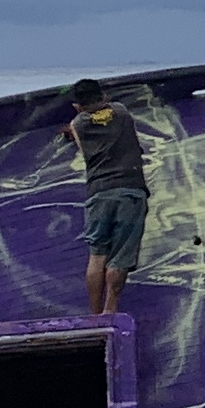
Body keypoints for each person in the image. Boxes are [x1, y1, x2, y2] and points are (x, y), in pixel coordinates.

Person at [66, 78, 149, 314]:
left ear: (77, 106)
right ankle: (109, 310)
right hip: (130, 191)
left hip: (98, 193)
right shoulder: (121, 112)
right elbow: (108, 115)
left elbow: (82, 142)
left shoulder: (78, 124)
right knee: (120, 257)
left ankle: (95, 315)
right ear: (103, 96)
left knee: (97, 255)